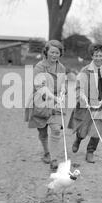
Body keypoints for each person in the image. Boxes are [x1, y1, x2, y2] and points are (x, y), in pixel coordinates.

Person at [68, 43, 102, 163]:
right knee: (83, 127)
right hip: (87, 105)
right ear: (92, 56)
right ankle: (78, 139)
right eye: (95, 55)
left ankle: (90, 151)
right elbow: (78, 87)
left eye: (100, 55)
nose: (98, 58)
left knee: (98, 129)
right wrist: (82, 97)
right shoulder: (85, 71)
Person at [25, 40, 67, 170]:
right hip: (40, 102)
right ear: (46, 52)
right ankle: (46, 152)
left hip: (55, 104)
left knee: (55, 129)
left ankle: (53, 158)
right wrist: (53, 97)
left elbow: (62, 83)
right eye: (52, 52)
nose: (55, 55)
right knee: (42, 131)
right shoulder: (39, 67)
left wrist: (63, 90)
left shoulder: (61, 68)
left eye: (57, 53)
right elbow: (40, 87)